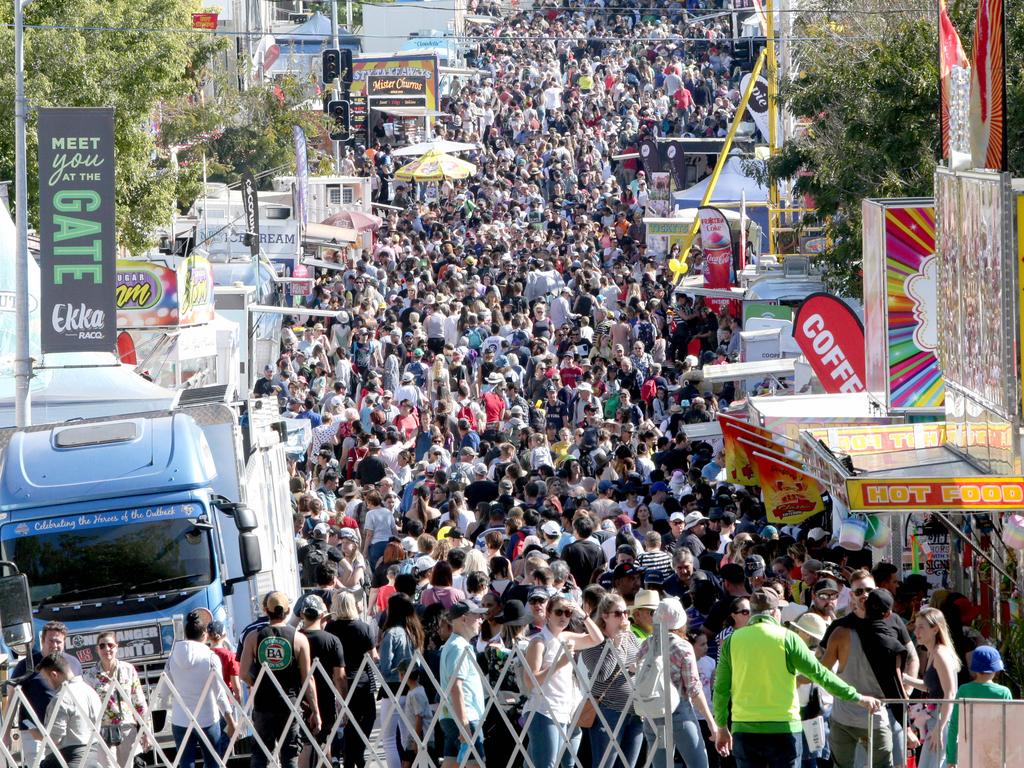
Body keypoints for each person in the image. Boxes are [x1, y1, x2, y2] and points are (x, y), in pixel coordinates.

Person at [714, 587, 883, 768]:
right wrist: (857, 697)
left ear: (753, 612)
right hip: (784, 730)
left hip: (744, 730)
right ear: (774, 612)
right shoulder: (788, 638)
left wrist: (722, 727)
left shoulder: (732, 641)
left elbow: (721, 689)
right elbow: (821, 675)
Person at [822, 573, 918, 768]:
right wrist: (839, 691)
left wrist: (906, 693)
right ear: (851, 595)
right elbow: (821, 665)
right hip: (847, 715)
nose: (865, 595)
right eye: (859, 591)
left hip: (887, 709)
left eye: (869, 590)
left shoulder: (894, 621)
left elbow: (912, 657)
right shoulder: (840, 627)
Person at [522, 593, 603, 768]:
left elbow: (598, 639)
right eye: (559, 612)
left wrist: (582, 614)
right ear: (548, 613)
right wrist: (558, 664)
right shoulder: (539, 642)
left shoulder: (566, 637)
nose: (564, 617)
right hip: (543, 710)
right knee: (547, 764)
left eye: (568, 613)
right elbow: (530, 681)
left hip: (563, 711)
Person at [240, 591, 319, 768]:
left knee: (260, 754)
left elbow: (243, 673)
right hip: (290, 703)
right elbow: (307, 678)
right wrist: (315, 710)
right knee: (290, 754)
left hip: (263, 705)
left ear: (265, 611)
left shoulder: (253, 638)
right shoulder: (299, 639)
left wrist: (258, 684)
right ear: (288, 610)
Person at [638, 596, 718, 768]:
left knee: (661, 765)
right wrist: (711, 722)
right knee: (699, 764)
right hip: (679, 712)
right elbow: (694, 689)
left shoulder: (646, 645)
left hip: (652, 713)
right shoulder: (683, 647)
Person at [581, 592, 644, 768]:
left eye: (626, 612)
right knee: (604, 764)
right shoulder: (593, 641)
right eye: (618, 613)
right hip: (607, 711)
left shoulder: (630, 636)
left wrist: (637, 666)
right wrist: (615, 646)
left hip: (635, 710)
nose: (624, 617)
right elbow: (602, 673)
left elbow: (641, 660)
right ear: (604, 616)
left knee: (628, 765)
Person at [166, 611, 236, 768]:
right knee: (213, 762)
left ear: (185, 633)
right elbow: (219, 694)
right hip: (207, 718)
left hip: (180, 719)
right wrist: (231, 721)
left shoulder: (172, 658)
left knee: (185, 763)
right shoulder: (211, 658)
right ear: (205, 634)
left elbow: (164, 691)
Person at [13, 621, 84, 767]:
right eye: (51, 641)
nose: (55, 645)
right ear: (43, 640)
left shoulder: (74, 663)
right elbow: (13, 695)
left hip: (67, 731)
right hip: (34, 731)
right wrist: (6, 732)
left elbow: (80, 695)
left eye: (59, 641)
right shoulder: (26, 665)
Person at [83, 631, 152, 768]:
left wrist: (146, 731)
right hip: (103, 730)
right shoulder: (89, 676)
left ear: (117, 647)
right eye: (102, 646)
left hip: (127, 728)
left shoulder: (128, 670)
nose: (107, 649)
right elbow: (87, 707)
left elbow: (139, 703)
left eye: (110, 645)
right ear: (97, 649)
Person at [903, 607, 962, 768]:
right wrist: (905, 678)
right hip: (936, 718)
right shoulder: (934, 653)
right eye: (916, 627)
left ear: (935, 628)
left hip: (941, 719)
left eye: (921, 626)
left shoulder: (940, 654)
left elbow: (950, 693)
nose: (917, 631)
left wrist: (939, 727)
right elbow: (931, 687)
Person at [325, 592, 378, 768]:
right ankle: (357, 754)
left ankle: (351, 757)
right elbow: (373, 656)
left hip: (339, 682)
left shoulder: (330, 628)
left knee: (347, 721)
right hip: (362, 681)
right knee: (368, 717)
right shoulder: (363, 628)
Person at [945, 646, 1013, 768]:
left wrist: (951, 758)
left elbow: (954, 724)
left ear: (975, 669)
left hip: (969, 750)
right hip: (995, 752)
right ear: (996, 669)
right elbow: (1009, 727)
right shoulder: (1004, 692)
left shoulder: (963, 690)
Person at [299, 594, 347, 768]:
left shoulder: (296, 639)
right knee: (325, 741)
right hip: (325, 698)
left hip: (300, 698)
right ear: (322, 616)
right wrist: (343, 702)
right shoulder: (332, 641)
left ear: (303, 615)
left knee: (305, 744)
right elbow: (340, 676)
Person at [440, 600, 489, 767]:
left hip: (450, 714)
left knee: (451, 763)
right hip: (466, 716)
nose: (481, 620)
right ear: (464, 619)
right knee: (475, 763)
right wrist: (464, 725)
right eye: (477, 616)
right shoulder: (459, 647)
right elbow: (456, 687)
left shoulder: (453, 645)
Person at [377, 594, 425, 768]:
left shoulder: (391, 633)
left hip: (392, 690)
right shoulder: (415, 631)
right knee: (407, 736)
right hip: (412, 688)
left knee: (389, 738)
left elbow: (384, 667)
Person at [36, 653, 103, 768]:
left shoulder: (62, 698)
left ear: (54, 675)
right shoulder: (91, 692)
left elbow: (54, 739)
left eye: (46, 679)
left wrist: (38, 735)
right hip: (94, 759)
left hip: (67, 761)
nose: (46, 683)